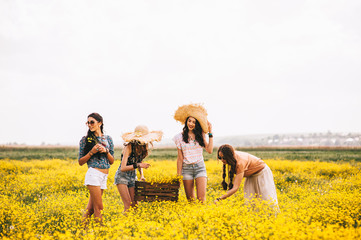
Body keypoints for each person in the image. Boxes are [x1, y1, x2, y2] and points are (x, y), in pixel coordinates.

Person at [114, 125, 163, 213]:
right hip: (122, 177)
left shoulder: (143, 147)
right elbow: (123, 167)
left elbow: (139, 163)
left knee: (135, 205)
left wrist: (142, 175)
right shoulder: (128, 147)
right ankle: (124, 225)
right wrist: (139, 165)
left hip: (133, 177)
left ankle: (132, 224)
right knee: (128, 206)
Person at [214, 144, 279, 210]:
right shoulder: (232, 157)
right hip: (250, 176)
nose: (222, 160)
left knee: (267, 199)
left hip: (262, 174)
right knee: (250, 202)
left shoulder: (240, 162)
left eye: (224, 158)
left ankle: (273, 218)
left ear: (229, 156)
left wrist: (219, 199)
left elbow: (235, 188)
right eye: (220, 158)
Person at [78, 113, 115, 226]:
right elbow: (80, 162)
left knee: (91, 209)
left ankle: (82, 232)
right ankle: (101, 232)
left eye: (92, 122)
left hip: (104, 176)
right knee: (99, 207)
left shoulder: (108, 139)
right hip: (93, 174)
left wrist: (106, 151)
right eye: (88, 122)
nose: (89, 125)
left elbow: (112, 161)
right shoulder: (85, 140)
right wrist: (92, 152)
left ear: (100, 123)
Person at [173, 103, 213, 203]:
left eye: (194, 122)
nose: (191, 124)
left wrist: (210, 134)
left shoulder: (201, 135)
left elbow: (209, 150)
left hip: (200, 167)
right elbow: (180, 158)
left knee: (202, 200)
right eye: (189, 121)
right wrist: (178, 176)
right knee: (191, 201)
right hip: (186, 169)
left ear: (197, 124)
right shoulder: (179, 137)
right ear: (186, 122)